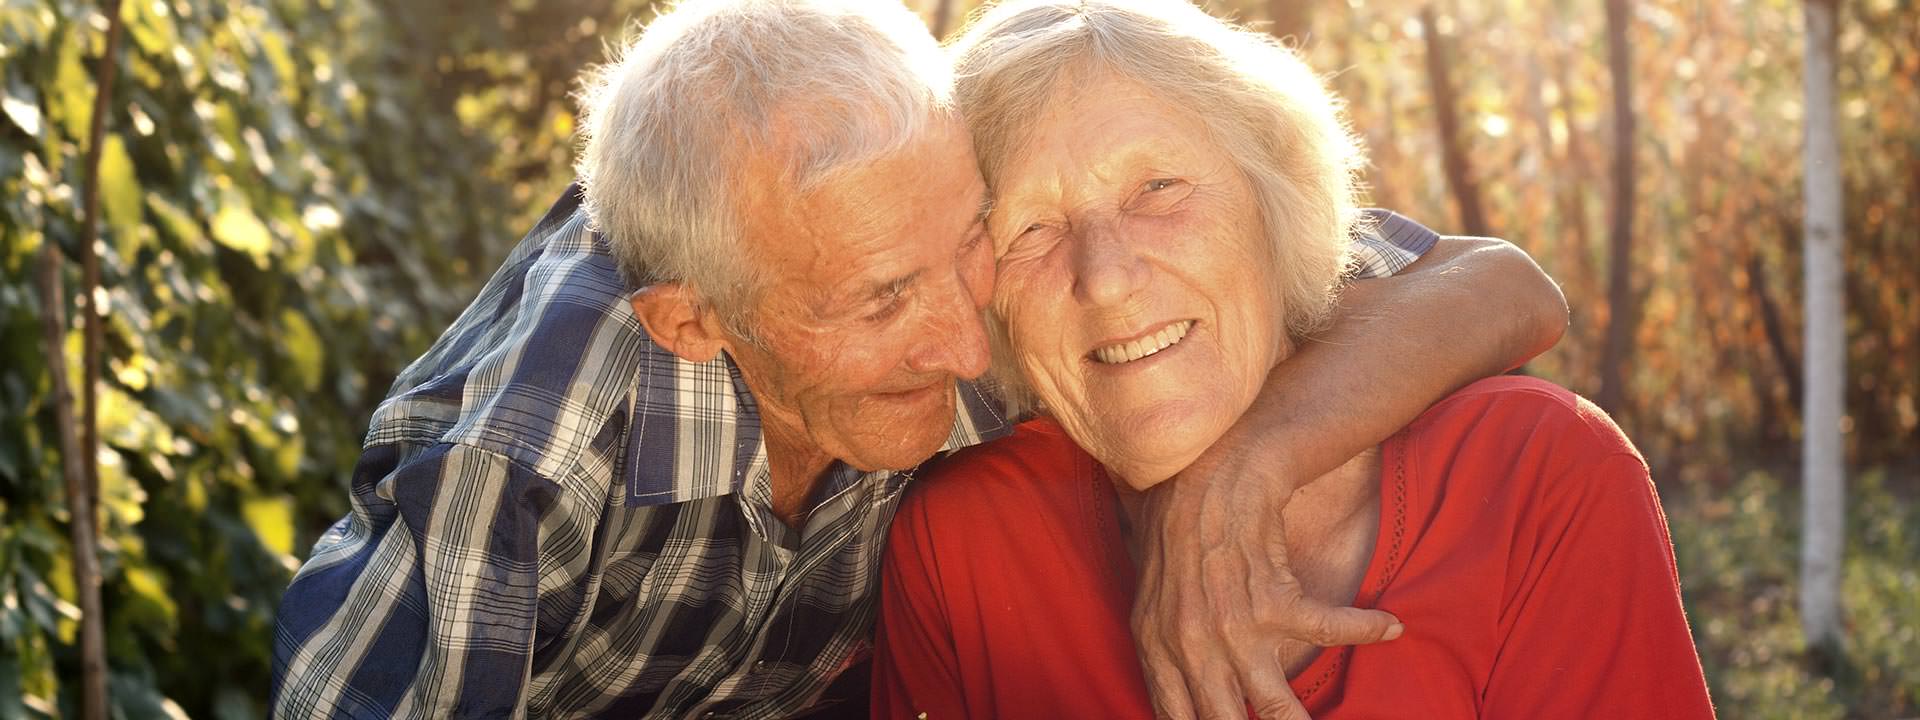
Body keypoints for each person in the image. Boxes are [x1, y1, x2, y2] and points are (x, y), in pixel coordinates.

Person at [270, 0, 1565, 717]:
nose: (965, 337)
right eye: (884, 299)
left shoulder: (981, 229)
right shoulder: (536, 451)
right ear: (697, 322)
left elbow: (1497, 283)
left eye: (969, 248)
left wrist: (1245, 477)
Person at [872, 1, 1717, 718]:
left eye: (1157, 190)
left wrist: (1234, 479)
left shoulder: (1535, 472)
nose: (1105, 278)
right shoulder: (963, 542)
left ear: (1280, 205)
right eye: (1030, 230)